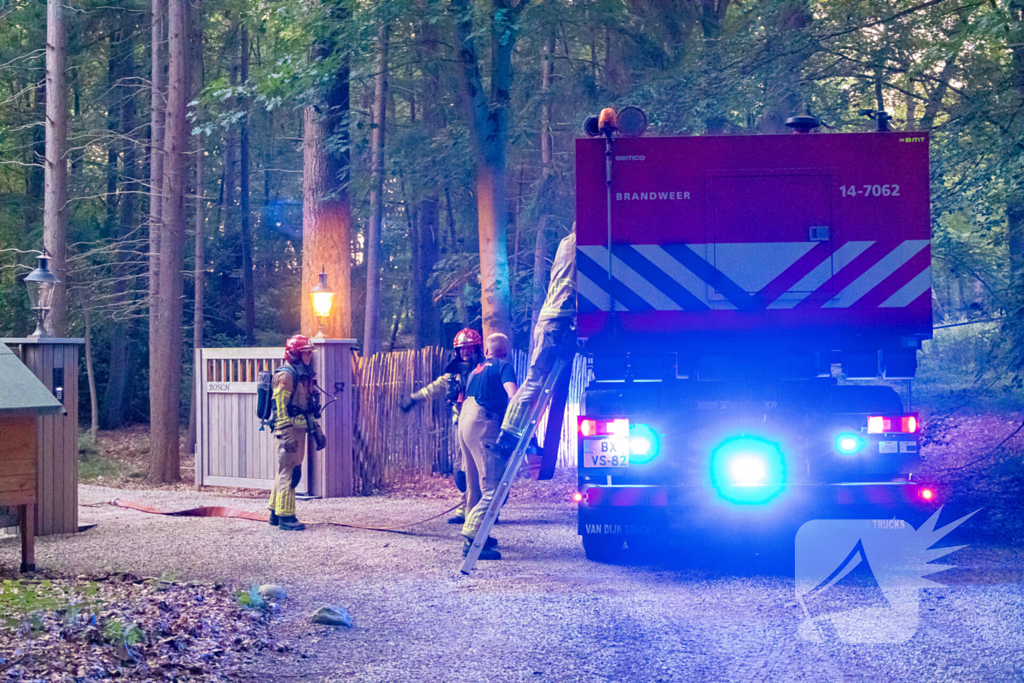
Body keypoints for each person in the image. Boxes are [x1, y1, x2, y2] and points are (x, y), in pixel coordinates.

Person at [497, 229, 577, 455]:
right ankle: (508, 437)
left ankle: (517, 434)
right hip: (557, 320)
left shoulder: (565, 243)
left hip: (551, 318)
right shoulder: (578, 244)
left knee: (537, 381)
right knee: (535, 381)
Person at [399, 328, 483, 524]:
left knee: (482, 466)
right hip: (461, 423)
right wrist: (414, 398)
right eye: (462, 349)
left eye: (469, 348)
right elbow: (434, 388)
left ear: (476, 349)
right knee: (461, 468)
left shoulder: (484, 370)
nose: (465, 352)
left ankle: (484, 509)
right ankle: (466, 505)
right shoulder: (452, 375)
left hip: (482, 425)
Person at [458, 332, 518, 560]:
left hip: (465, 422)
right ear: (506, 352)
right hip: (483, 423)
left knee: (473, 484)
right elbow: (513, 395)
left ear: (485, 351)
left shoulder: (476, 370)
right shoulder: (504, 367)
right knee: (494, 487)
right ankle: (472, 533)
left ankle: (477, 533)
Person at [267, 335, 319, 531]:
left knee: (285, 470)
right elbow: (279, 405)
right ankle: (287, 517)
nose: (309, 356)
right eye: (306, 353)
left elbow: (305, 407)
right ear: (295, 354)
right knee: (291, 472)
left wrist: (316, 429)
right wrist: (285, 434)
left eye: (310, 353)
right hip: (288, 431)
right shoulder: (286, 376)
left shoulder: (300, 375)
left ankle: (275, 513)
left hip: (297, 429)